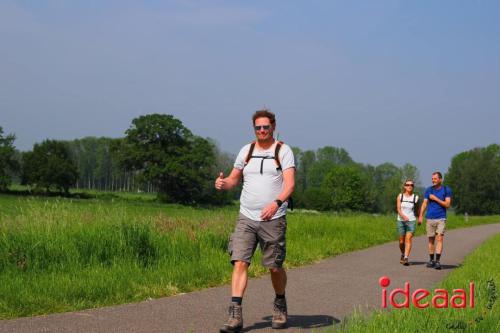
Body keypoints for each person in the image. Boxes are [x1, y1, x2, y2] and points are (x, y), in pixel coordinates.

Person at [215, 109, 295, 332]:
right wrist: (223, 184)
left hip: (274, 218)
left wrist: (276, 203)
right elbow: (233, 179)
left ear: (273, 126)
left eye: (265, 127)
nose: (261, 131)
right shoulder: (246, 150)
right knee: (239, 261)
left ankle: (280, 302)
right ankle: (235, 314)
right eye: (258, 127)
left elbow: (289, 184)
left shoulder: (283, 150)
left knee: (274, 267)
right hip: (246, 217)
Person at [418, 171, 452, 270]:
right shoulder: (428, 190)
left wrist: (436, 199)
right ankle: (431, 260)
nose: (433, 180)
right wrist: (420, 215)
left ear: (440, 179)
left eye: (435, 179)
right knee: (431, 240)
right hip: (430, 218)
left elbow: (447, 205)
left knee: (440, 238)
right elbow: (424, 204)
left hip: (441, 218)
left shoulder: (446, 190)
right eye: (432, 179)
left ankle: (437, 261)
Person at [396, 179, 419, 266]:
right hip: (401, 220)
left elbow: (418, 209)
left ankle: (406, 258)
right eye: (408, 185)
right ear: (404, 186)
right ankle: (402, 253)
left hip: (411, 221)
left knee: (408, 239)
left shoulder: (415, 198)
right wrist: (403, 216)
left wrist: (419, 217)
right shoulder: (400, 196)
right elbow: (398, 209)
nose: (410, 186)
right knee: (401, 241)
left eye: (411, 185)